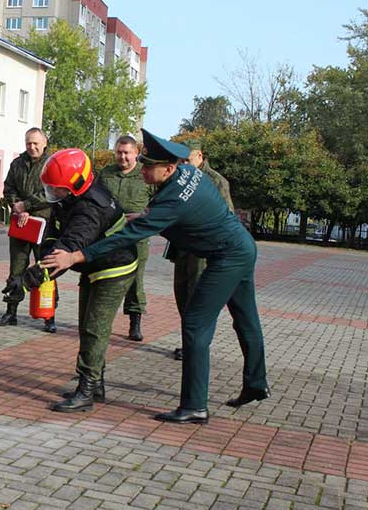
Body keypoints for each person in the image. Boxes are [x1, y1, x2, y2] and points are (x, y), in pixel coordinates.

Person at [40, 129, 270, 424]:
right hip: (242, 247)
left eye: (149, 167)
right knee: (246, 318)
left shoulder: (173, 198)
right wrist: (147, 214)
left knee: (196, 325)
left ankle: (195, 405)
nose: (144, 171)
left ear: (169, 168)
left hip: (227, 258)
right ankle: (256, 383)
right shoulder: (188, 172)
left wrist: (76, 256)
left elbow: (127, 236)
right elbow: (177, 210)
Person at [5, 149, 138, 412]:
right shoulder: (71, 197)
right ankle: (95, 382)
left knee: (94, 327)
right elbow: (55, 236)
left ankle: (87, 389)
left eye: (57, 189)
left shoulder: (90, 210)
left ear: (76, 184)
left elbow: (65, 253)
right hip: (93, 265)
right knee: (85, 325)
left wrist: (26, 280)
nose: (53, 194)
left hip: (115, 268)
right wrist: (41, 258)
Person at [169, 140, 234, 360]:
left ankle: (197, 347)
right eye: (182, 161)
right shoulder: (180, 178)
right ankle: (188, 343)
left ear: (199, 156)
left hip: (203, 252)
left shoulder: (216, 181)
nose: (184, 164)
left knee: (198, 300)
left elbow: (227, 217)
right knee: (182, 295)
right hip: (183, 250)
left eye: (187, 160)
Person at [0, 127, 55, 333]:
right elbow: (8, 187)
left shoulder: (52, 164)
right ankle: (11, 311)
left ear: (44, 142)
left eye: (36, 143)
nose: (32, 147)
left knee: (45, 269)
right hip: (20, 224)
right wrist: (17, 205)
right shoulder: (17, 163)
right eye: (29, 143)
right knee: (16, 269)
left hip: (44, 224)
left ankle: (49, 316)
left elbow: (52, 191)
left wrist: (26, 206)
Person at [97, 135, 155, 342]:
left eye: (127, 153)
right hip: (110, 234)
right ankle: (102, 321)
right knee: (105, 277)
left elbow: (160, 203)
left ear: (136, 153)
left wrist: (144, 215)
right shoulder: (106, 174)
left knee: (135, 281)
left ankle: (135, 322)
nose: (122, 157)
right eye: (119, 153)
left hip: (137, 236)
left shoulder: (146, 174)